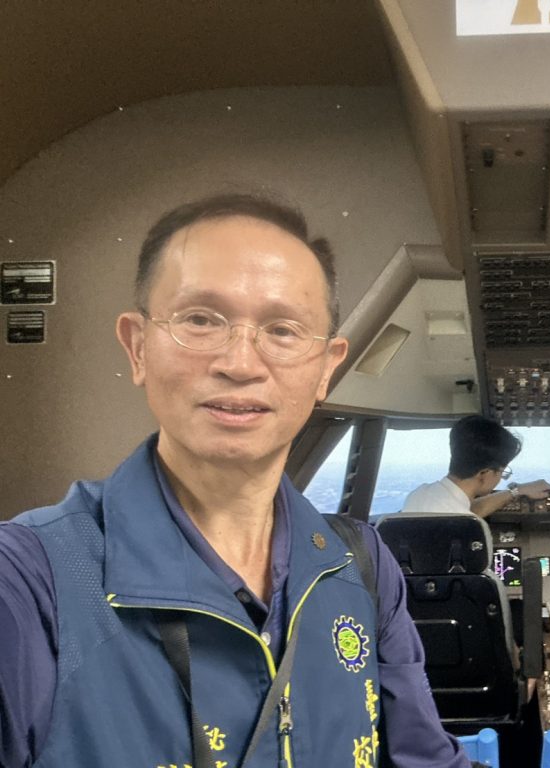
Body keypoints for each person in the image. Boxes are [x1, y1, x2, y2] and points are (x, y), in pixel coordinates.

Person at [0, 194, 473, 768]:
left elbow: (425, 759)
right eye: (201, 320)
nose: (241, 364)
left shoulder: (362, 564)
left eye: (283, 330)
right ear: (138, 346)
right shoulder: (28, 581)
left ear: (326, 368)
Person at [402, 415, 550, 518]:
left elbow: (469, 510)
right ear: (484, 473)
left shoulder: (419, 494)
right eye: (502, 471)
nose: (501, 477)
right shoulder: (466, 527)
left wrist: (517, 491)